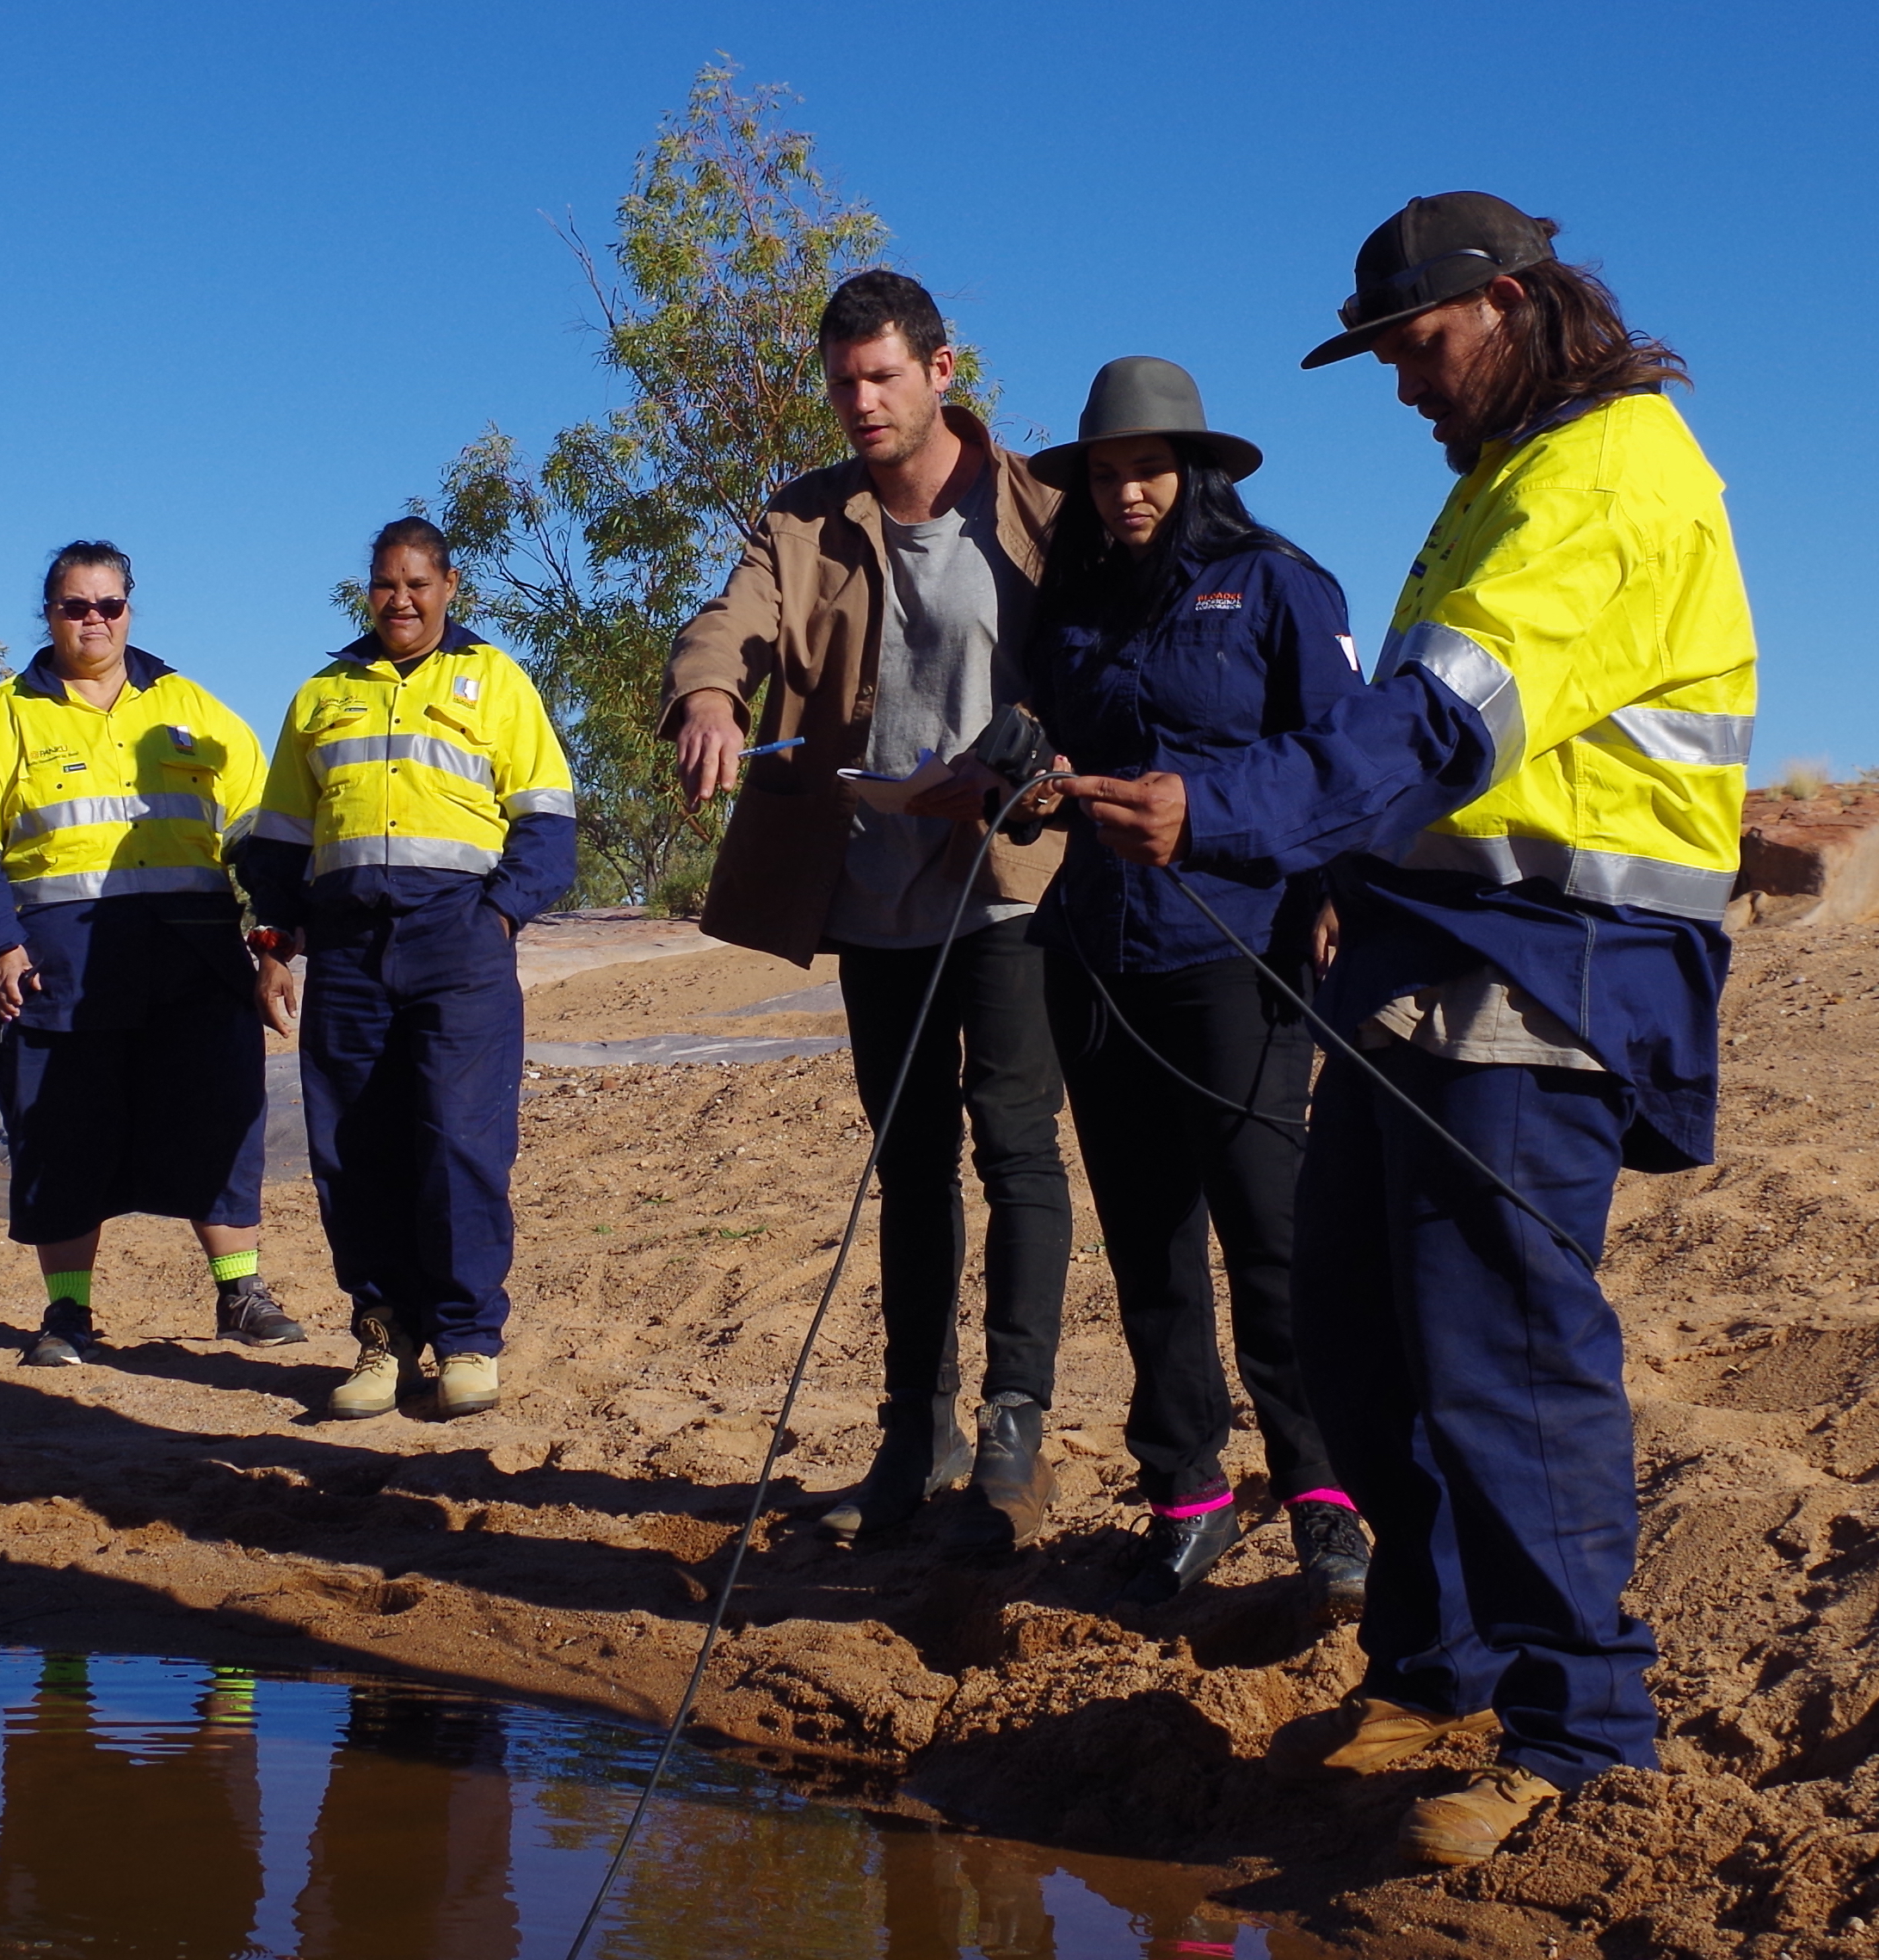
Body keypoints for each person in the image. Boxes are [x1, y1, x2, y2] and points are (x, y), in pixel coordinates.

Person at [1055, 194, 1755, 1864]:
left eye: (1414, 345)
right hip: (1417, 970)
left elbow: (1431, 733)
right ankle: (1435, 1669)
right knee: (1358, 1341)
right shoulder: (1503, 479)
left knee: (1500, 1356)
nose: (1400, 383)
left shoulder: (1606, 479)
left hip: (1548, 972)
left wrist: (1213, 811)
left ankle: (1580, 1735)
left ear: (1504, 304)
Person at [664, 268, 1072, 1552]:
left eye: (883, 375)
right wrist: (710, 699)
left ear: (941, 370)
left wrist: (1014, 771)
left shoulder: (1038, 507)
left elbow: (1088, 669)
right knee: (909, 1164)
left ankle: (1013, 1428)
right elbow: (728, 624)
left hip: (1008, 880)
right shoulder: (801, 516)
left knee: (1015, 1148)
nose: (861, 401)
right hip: (874, 888)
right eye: (843, 381)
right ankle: (916, 1431)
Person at [1021, 357, 1371, 1612]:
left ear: (1195, 470)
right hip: (1096, 956)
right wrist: (1031, 774)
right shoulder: (1070, 603)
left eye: (1147, 469)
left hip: (1239, 949)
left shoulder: (1276, 582)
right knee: (1147, 1239)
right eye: (1105, 474)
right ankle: (1186, 1491)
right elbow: (1046, 735)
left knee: (1269, 1232)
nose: (1125, 492)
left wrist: (1334, 889)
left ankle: (1324, 1492)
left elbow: (1338, 752)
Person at [0, 540, 298, 1365]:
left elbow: (262, 830)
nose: (94, 620)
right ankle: (67, 1315)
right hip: (59, 967)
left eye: (109, 605)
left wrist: (275, 938)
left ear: (129, 609)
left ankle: (241, 1294)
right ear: (49, 614)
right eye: (75, 606)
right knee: (63, 1136)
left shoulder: (193, 707)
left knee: (219, 1119)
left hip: (191, 956)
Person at [240, 518, 575, 1421]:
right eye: (386, 584)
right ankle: (385, 1336)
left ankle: (467, 1340)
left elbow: (548, 823)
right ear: (369, 590)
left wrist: (497, 916)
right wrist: (276, 946)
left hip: (457, 942)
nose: (401, 600)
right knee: (353, 1148)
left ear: (449, 586)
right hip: (348, 950)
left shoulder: (496, 680)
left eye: (418, 584)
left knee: (461, 1140)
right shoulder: (322, 694)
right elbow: (281, 841)